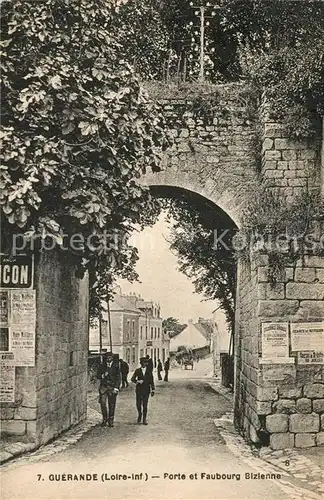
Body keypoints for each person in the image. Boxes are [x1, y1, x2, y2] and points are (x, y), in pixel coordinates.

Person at [97, 352, 120, 427]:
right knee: (103, 403)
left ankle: (111, 420)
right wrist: (103, 375)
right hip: (103, 388)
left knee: (112, 404)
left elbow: (118, 378)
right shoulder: (102, 366)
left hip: (112, 387)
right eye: (107, 358)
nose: (108, 359)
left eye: (110, 358)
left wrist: (116, 387)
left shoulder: (116, 366)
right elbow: (98, 375)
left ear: (112, 358)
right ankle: (104, 418)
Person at [131, 357, 155, 425]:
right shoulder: (137, 370)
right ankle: (140, 414)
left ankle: (144, 419)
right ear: (141, 363)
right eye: (144, 362)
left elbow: (151, 381)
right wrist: (137, 381)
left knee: (145, 405)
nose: (145, 364)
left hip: (146, 390)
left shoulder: (149, 371)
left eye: (146, 362)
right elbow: (132, 379)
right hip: (139, 390)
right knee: (138, 404)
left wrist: (153, 389)